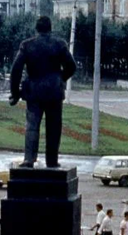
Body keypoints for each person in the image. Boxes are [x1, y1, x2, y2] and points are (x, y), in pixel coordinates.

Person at [8, 16, 77, 168]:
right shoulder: (59, 44)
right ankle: (52, 161)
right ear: (50, 29)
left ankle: (29, 159)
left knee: (32, 125)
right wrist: (60, 79)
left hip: (34, 93)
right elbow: (71, 67)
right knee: (54, 127)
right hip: (54, 93)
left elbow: (16, 70)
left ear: (37, 29)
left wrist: (15, 93)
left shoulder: (27, 45)